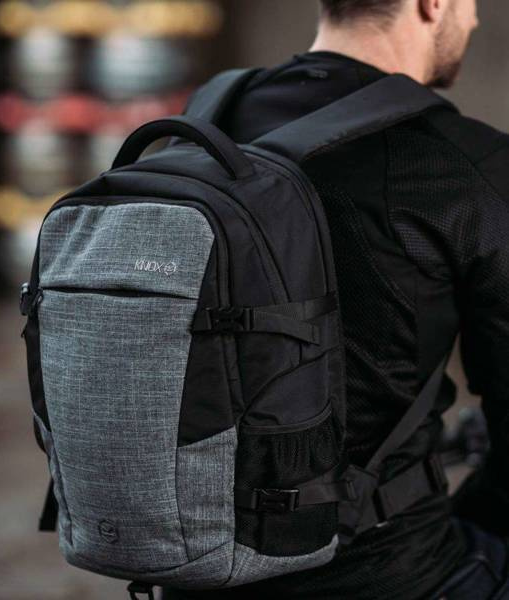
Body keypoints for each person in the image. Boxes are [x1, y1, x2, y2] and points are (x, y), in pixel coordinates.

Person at [165, 1, 509, 598]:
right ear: (432, 4)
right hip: (396, 574)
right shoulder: (463, 160)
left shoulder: (201, 122)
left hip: (194, 566)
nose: (474, 20)